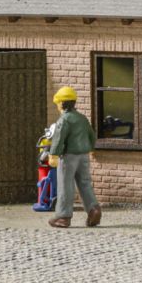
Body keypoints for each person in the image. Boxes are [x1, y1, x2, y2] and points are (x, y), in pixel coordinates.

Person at [47, 86, 100, 229]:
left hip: (68, 157)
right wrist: (91, 148)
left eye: (58, 103)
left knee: (65, 185)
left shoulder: (64, 120)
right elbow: (91, 135)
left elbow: (58, 139)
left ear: (61, 103)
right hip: (83, 156)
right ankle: (94, 209)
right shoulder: (82, 118)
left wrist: (53, 155)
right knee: (85, 183)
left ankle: (63, 217)